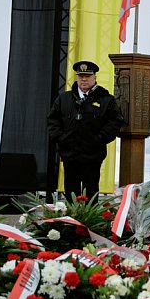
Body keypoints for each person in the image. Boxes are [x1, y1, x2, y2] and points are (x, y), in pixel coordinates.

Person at [48, 61, 125, 203]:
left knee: (91, 193)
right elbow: (53, 121)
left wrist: (98, 139)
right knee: (71, 193)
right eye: (81, 76)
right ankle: (72, 222)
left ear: (95, 77)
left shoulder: (106, 100)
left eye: (87, 76)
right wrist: (61, 138)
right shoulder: (64, 98)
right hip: (70, 154)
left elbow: (114, 123)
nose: (84, 79)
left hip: (93, 155)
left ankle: (91, 223)